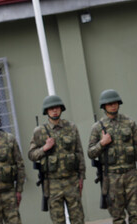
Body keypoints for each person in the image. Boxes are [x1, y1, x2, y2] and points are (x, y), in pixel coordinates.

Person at [87, 89, 137, 223]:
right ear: (104, 106)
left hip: (131, 175)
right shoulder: (97, 127)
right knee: (118, 218)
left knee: (136, 215)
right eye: (109, 104)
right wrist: (102, 143)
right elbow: (90, 153)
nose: (113, 106)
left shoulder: (129, 123)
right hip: (111, 178)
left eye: (115, 103)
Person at [29, 95, 86, 223]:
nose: (54, 110)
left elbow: (79, 153)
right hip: (52, 183)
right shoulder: (39, 131)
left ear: (61, 109)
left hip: (72, 181)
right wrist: (44, 148)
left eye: (57, 108)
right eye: (51, 108)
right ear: (46, 111)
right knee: (58, 220)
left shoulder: (71, 127)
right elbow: (31, 155)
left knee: (78, 219)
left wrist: (81, 177)